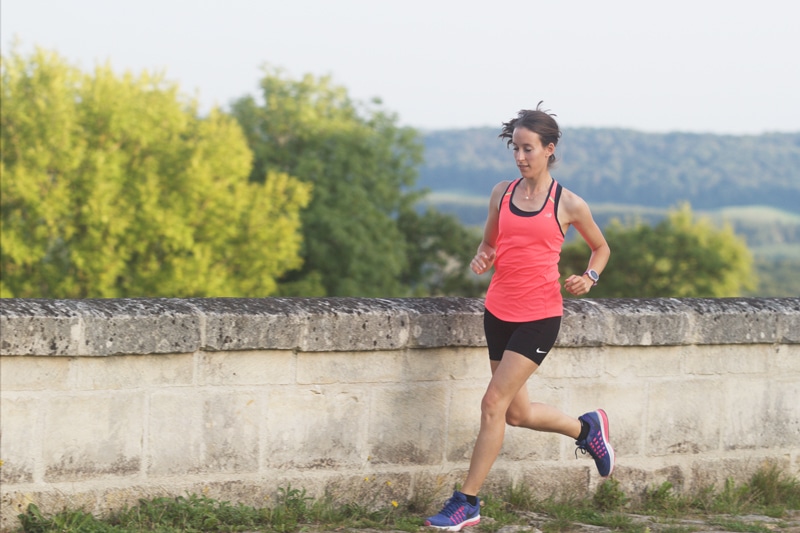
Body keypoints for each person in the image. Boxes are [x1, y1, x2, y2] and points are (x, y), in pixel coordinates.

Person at [425, 104, 614, 531]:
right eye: (516, 148)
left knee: (492, 404)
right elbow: (490, 243)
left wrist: (589, 277)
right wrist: (483, 256)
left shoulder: (568, 204)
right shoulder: (502, 193)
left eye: (529, 149)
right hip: (498, 313)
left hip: (540, 316)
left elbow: (601, 248)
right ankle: (586, 431)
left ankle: (467, 502)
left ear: (550, 149)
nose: (521, 157)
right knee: (515, 413)